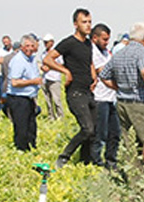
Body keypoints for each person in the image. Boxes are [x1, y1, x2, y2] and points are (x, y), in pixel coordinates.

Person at [44, 8, 98, 168]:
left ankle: (85, 162)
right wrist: (65, 71)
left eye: (89, 22)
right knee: (87, 129)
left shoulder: (88, 43)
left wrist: (94, 76)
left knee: (93, 131)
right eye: (84, 22)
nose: (88, 25)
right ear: (75, 24)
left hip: (88, 91)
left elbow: (89, 62)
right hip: (75, 92)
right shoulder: (69, 43)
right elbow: (48, 59)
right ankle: (64, 156)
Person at [99, 23, 144, 158]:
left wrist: (118, 87)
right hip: (140, 103)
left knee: (129, 145)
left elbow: (103, 75)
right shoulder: (141, 52)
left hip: (122, 103)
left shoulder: (120, 53)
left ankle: (134, 177)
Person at [7, 34, 44, 151]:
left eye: (32, 46)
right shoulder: (18, 60)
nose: (29, 48)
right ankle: (21, 149)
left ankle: (31, 147)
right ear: (22, 46)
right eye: (27, 45)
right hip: (18, 98)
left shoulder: (32, 59)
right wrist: (33, 81)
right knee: (21, 127)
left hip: (29, 98)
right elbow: (15, 82)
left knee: (31, 126)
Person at [90, 23, 119, 169]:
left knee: (114, 133)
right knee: (100, 134)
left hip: (111, 97)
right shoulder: (92, 51)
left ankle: (111, 162)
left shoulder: (107, 52)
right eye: (104, 39)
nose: (106, 42)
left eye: (108, 39)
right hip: (100, 98)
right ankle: (96, 163)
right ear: (95, 38)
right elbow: (102, 71)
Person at [40, 34, 65, 120]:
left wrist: (50, 67)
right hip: (45, 78)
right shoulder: (43, 54)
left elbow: (61, 64)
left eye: (47, 42)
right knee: (48, 99)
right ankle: (51, 116)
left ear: (52, 42)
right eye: (44, 42)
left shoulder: (56, 53)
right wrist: (43, 68)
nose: (45, 44)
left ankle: (60, 116)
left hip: (54, 78)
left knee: (56, 99)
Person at [0, 35, 14, 114]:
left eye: (7, 42)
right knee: (2, 93)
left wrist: (5, 60)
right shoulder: (1, 50)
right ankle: (1, 109)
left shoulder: (13, 50)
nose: (6, 44)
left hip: (11, 75)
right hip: (3, 74)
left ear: (10, 41)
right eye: (4, 43)